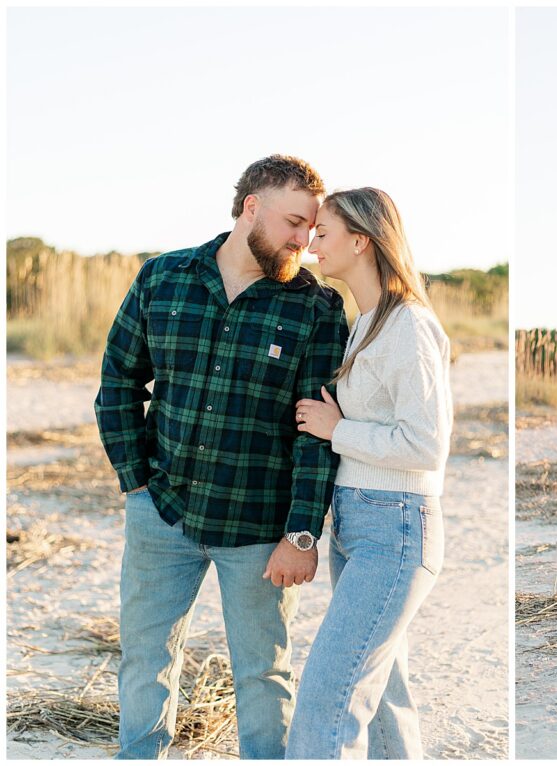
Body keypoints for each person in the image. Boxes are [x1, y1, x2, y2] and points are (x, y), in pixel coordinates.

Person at [94, 155, 348, 759]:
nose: (302, 241)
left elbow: (316, 433)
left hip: (261, 528)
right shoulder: (163, 278)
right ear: (250, 206)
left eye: (311, 230)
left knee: (264, 673)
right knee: (145, 658)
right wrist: (136, 484)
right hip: (164, 512)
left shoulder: (315, 308)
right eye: (292, 222)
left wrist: (303, 532)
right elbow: (119, 384)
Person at [282, 188, 453, 759]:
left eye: (323, 233)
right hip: (360, 524)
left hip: (396, 528)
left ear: (361, 240)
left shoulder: (408, 325)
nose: (311, 245)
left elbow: (426, 445)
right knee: (382, 700)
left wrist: (336, 430)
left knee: (328, 702)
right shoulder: (369, 322)